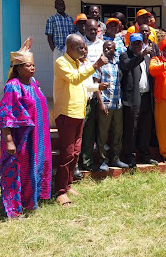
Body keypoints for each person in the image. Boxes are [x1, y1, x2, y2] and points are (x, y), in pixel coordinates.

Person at [0, 38, 52, 219]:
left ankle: (31, 201)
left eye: (33, 65)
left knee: (36, 166)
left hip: (38, 136)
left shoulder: (34, 83)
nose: (32, 68)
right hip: (21, 138)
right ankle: (15, 207)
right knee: (20, 170)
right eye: (27, 65)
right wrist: (9, 141)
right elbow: (5, 115)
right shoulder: (13, 87)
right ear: (18, 68)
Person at [54, 34, 108, 206]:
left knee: (76, 152)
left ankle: (68, 186)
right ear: (69, 48)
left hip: (79, 113)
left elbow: (82, 84)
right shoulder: (61, 62)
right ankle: (60, 191)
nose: (84, 50)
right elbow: (74, 79)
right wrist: (95, 65)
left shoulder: (78, 63)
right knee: (67, 153)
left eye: (85, 47)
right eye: (80, 48)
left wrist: (97, 86)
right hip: (66, 114)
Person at [119, 33, 158, 167]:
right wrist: (141, 55)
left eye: (139, 43)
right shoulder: (125, 55)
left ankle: (145, 155)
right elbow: (127, 66)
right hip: (132, 98)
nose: (137, 46)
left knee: (145, 128)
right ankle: (129, 157)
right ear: (129, 44)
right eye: (134, 43)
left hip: (146, 97)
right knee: (131, 129)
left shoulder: (147, 58)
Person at [94, 41, 128, 170]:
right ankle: (103, 160)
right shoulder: (101, 63)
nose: (107, 50)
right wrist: (101, 103)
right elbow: (96, 84)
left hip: (118, 104)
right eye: (105, 48)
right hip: (106, 104)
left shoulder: (118, 63)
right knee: (103, 134)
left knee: (118, 133)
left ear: (115, 49)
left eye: (110, 48)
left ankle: (116, 159)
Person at [79, 19, 106, 171]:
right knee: (82, 130)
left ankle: (88, 161)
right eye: (89, 28)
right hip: (83, 94)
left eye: (95, 28)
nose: (93, 31)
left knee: (92, 130)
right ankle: (79, 162)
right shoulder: (79, 48)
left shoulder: (101, 44)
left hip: (98, 93)